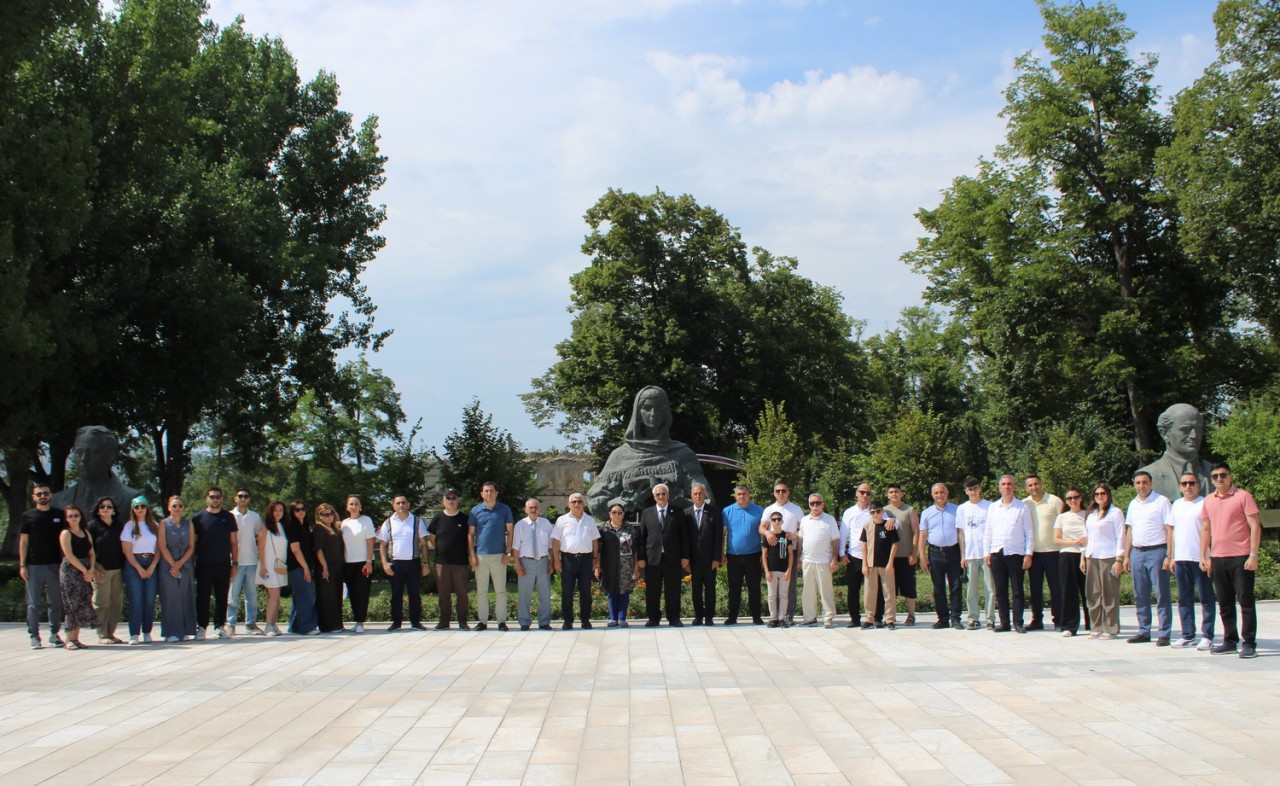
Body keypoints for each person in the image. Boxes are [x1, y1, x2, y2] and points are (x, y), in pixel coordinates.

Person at [586, 385, 711, 517]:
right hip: (630, 532)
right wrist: (627, 501)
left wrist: (674, 498)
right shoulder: (620, 456)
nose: (653, 413)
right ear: (637, 412)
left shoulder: (682, 454)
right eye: (646, 408)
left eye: (659, 408)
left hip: (672, 530)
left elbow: (706, 501)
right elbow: (595, 502)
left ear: (666, 411)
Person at [1200, 463, 1262, 658]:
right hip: (1218, 558)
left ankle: (1249, 643)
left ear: (1230, 477)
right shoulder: (1209, 500)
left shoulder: (1243, 496)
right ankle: (1229, 640)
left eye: (1223, 475)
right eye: (1215, 476)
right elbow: (1207, 529)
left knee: (1245, 601)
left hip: (1240, 557)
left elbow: (1255, 526)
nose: (1219, 479)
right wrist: (1204, 555)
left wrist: (1253, 555)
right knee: (1225, 602)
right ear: (1211, 480)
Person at [1124, 470, 1173, 646]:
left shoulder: (1161, 501)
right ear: (1134, 485)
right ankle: (1144, 630)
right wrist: (1127, 555)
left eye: (1145, 482)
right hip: (1137, 552)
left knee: (1161, 594)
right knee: (1140, 594)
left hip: (1157, 551)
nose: (1141, 486)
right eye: (1138, 483)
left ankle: (1164, 633)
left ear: (1151, 484)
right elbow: (1130, 530)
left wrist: (1169, 555)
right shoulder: (1133, 504)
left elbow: (1169, 530)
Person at [51, 426, 140, 519]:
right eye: (79, 452)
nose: (84, 458)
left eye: (93, 452)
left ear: (111, 456)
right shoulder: (58, 500)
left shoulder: (131, 499)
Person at [1168, 473, 1214, 650]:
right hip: (1181, 558)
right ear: (1180, 486)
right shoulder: (1177, 505)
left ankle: (1208, 635)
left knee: (1206, 598)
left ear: (1198, 485)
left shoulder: (1205, 503)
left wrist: (1209, 556)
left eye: (1191, 483)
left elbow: (1210, 530)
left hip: (1200, 558)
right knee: (1184, 598)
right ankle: (1188, 635)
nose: (1188, 486)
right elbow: (1171, 531)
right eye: (1184, 483)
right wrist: (1171, 556)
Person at [983, 475, 1033, 633]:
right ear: (999, 488)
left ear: (1014, 487)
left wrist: (1028, 554)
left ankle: (1018, 622)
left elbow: (1029, 532)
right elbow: (988, 531)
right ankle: (1004, 622)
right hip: (997, 552)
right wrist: (986, 552)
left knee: (1017, 590)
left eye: (1009, 484)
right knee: (1000, 589)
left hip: (1016, 553)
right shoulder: (993, 507)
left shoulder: (1022, 507)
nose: (1006, 487)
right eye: (1003, 484)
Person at [1137, 403, 1217, 502]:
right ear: (1164, 433)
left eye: (1198, 429)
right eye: (1185, 430)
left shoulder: (1217, 474)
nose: (1194, 435)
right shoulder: (1149, 476)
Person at [636, 483, 690, 627]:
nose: (661, 496)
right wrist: (641, 557)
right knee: (652, 589)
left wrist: (685, 556)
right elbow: (642, 537)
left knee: (673, 589)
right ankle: (653, 618)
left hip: (672, 558)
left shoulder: (678, 512)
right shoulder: (647, 513)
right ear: (654, 497)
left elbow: (684, 536)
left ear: (668, 495)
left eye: (663, 494)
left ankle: (673, 617)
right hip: (652, 558)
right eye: (658, 494)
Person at [21, 483, 66, 649]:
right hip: (33, 565)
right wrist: (22, 564)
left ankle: (54, 634)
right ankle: (34, 636)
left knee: (55, 602)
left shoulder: (59, 515)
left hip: (55, 564)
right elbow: (24, 541)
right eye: (39, 494)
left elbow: (65, 539)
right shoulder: (28, 516)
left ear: (51, 495)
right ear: (34, 497)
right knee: (33, 604)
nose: (42, 496)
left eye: (45, 493)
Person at [192, 486, 238, 640]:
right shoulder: (198, 518)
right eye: (212, 497)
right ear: (207, 498)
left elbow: (234, 542)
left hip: (223, 563)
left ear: (222, 499)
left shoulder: (228, 517)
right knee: (203, 597)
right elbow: (193, 544)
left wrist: (235, 563)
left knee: (222, 597)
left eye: (218, 497)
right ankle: (202, 627)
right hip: (204, 564)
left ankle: (219, 627)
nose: (215, 499)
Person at [468, 482, 514, 631]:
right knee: (481, 591)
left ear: (496, 493)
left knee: (500, 591)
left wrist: (508, 553)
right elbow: (470, 534)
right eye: (486, 491)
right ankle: (482, 621)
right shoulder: (476, 511)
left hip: (499, 556)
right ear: (482, 494)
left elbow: (510, 532)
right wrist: (472, 555)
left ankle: (501, 621)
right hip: (481, 556)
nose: (489, 493)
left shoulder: (504, 509)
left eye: (491, 491)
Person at [378, 495, 429, 631]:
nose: (401, 505)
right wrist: (384, 563)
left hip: (413, 563)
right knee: (396, 595)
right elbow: (382, 545)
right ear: (393, 506)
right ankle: (396, 623)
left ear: (408, 504)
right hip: (395, 564)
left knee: (415, 594)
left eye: (403, 502)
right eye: (398, 503)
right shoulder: (388, 522)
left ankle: (416, 622)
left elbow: (424, 544)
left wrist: (426, 563)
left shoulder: (417, 521)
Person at [553, 493, 600, 630]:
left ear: (584, 504)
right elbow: (555, 541)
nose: (577, 504)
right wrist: (556, 560)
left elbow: (595, 540)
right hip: (568, 560)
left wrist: (595, 559)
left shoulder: (590, 520)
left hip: (586, 560)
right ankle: (568, 621)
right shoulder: (562, 520)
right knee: (567, 592)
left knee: (585, 592)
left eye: (579, 501)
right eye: (574, 502)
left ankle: (585, 620)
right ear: (569, 504)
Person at [1083, 484, 1125, 639]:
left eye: (1103, 493)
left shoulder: (1115, 513)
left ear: (1108, 495)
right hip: (1092, 556)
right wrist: (1083, 556)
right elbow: (1085, 536)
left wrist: (1119, 559)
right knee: (1093, 593)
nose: (1099, 496)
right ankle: (1096, 626)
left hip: (1109, 556)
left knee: (1109, 593)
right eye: (1096, 494)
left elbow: (1121, 536)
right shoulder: (1091, 514)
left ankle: (1111, 628)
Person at [919, 483, 962, 630]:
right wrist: (922, 557)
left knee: (956, 586)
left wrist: (963, 555)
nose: (939, 495)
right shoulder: (926, 513)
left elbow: (961, 533)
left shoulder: (957, 510)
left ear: (947, 493)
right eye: (936, 493)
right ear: (933, 495)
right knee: (938, 587)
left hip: (953, 551)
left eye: (942, 492)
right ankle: (942, 619)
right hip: (935, 553)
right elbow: (922, 535)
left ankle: (956, 618)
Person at [1023, 474, 1063, 631]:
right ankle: (1037, 620)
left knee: (1056, 589)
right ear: (1026, 488)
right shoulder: (1024, 504)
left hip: (1054, 552)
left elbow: (1064, 522)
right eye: (1030, 485)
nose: (1034, 487)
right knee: (1035, 589)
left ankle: (1058, 620)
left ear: (1041, 484)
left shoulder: (1054, 501)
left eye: (1036, 484)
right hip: (1034, 553)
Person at [761, 482, 805, 625]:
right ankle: (775, 617)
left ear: (788, 492)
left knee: (790, 587)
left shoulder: (796, 509)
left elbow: (804, 529)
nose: (781, 493)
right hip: (773, 553)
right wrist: (768, 533)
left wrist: (796, 534)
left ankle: (788, 616)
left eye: (783, 490)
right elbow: (761, 528)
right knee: (774, 590)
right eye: (778, 491)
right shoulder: (769, 509)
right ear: (774, 493)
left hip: (790, 550)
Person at [428, 489, 471, 630]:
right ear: (443, 501)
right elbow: (432, 539)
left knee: (462, 594)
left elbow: (470, 538)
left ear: (457, 500)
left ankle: (462, 621)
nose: (451, 500)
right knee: (444, 594)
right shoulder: (437, 518)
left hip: (461, 563)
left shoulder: (464, 519)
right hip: (442, 563)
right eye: (448, 498)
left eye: (454, 497)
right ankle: (444, 621)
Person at [157, 496, 197, 643]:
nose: (177, 508)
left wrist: (180, 563)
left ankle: (187, 630)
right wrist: (174, 564)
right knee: (171, 598)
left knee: (186, 596)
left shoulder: (189, 524)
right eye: (174, 506)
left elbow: (192, 546)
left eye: (180, 506)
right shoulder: (163, 524)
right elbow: (162, 546)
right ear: (169, 507)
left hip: (185, 563)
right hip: (168, 564)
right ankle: (172, 632)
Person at [724, 485, 765, 625]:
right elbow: (722, 534)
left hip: (753, 555)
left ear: (749, 495)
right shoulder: (727, 511)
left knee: (754, 588)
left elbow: (764, 532)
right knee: (734, 588)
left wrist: (764, 553)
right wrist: (721, 554)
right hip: (733, 556)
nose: (742, 496)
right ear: (735, 496)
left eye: (745, 494)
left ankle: (756, 616)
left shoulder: (759, 511)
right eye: (739, 494)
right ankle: (732, 616)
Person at [58, 505, 98, 650]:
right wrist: (84, 570)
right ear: (66, 519)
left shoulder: (85, 532)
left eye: (76, 515)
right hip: (71, 572)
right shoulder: (65, 534)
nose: (74, 518)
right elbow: (69, 555)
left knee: (82, 602)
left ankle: (76, 638)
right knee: (71, 605)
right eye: (70, 516)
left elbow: (92, 552)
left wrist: (91, 569)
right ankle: (69, 639)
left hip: (85, 571)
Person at [121, 496, 159, 645]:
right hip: (134, 563)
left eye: (142, 506)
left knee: (149, 601)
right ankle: (134, 633)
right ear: (132, 509)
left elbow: (159, 548)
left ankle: (147, 632)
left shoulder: (154, 525)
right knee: (136, 601)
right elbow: (127, 551)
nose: (140, 509)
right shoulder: (129, 526)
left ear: (147, 508)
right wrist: (138, 568)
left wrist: (152, 566)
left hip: (151, 562)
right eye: (137, 507)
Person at [956, 477, 993, 630]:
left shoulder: (990, 507)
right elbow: (961, 533)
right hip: (970, 554)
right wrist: (963, 555)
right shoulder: (962, 509)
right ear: (966, 491)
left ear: (980, 489)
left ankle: (990, 618)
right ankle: (973, 618)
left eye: (975, 488)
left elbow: (992, 530)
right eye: (970, 489)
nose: (973, 492)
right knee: (971, 588)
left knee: (990, 588)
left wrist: (990, 552)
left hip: (986, 554)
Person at [512, 498, 554, 631]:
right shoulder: (520, 525)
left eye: (535, 507)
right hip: (526, 562)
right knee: (525, 594)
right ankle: (524, 622)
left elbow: (551, 546)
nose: (533, 510)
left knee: (545, 594)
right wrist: (517, 565)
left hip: (543, 561)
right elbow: (516, 548)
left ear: (539, 509)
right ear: (526, 509)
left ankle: (544, 621)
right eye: (530, 507)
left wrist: (552, 562)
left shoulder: (546, 524)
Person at [88, 496, 125, 644]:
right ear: (98, 510)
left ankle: (111, 632)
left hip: (118, 569)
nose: (106, 509)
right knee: (102, 602)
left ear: (114, 510)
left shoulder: (119, 526)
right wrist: (93, 569)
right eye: (102, 507)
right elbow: (88, 549)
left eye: (109, 507)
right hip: (101, 568)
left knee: (116, 602)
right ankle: (102, 634)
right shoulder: (93, 526)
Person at [798, 494, 840, 628]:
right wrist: (799, 559)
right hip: (807, 560)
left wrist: (834, 559)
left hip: (824, 561)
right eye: (812, 503)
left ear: (823, 504)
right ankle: (809, 618)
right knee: (808, 592)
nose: (815, 505)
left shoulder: (830, 519)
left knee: (825, 591)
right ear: (809, 505)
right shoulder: (804, 520)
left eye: (818, 503)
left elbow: (836, 540)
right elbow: (800, 540)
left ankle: (828, 618)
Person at [1052, 487, 1088, 637]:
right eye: (1069, 498)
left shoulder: (1088, 515)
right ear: (1066, 501)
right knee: (1068, 591)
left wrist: (1084, 553)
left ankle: (1093, 623)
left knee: (1088, 591)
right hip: (1067, 555)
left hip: (1085, 555)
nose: (1073, 500)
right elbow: (1056, 539)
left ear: (1081, 498)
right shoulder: (1062, 517)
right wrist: (1073, 541)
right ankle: (1070, 626)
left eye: (1076, 497)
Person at [882, 484, 920, 626]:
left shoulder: (909, 510)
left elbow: (916, 532)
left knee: (909, 587)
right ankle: (890, 616)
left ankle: (911, 615)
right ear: (887, 495)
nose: (894, 494)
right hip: (889, 558)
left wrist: (914, 553)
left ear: (902, 494)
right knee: (890, 589)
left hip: (906, 555)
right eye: (891, 492)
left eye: (896, 492)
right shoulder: (884, 511)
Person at [686, 483, 723, 625]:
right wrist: (686, 559)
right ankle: (698, 616)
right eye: (695, 493)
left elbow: (718, 537)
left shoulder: (714, 512)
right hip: (694, 559)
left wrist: (716, 558)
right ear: (691, 496)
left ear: (705, 495)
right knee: (696, 589)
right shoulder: (686, 513)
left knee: (710, 588)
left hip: (709, 559)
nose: (698, 496)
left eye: (700, 493)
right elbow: (685, 538)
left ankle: (709, 617)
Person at [597, 503, 640, 627]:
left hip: (626, 566)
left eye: (619, 512)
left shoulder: (630, 529)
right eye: (614, 512)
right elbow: (598, 549)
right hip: (608, 565)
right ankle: (612, 618)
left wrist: (636, 566)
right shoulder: (602, 529)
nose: (617, 515)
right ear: (609, 514)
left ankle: (622, 618)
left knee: (624, 591)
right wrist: (597, 566)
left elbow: (635, 548)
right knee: (611, 591)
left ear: (623, 514)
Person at [228, 488, 263, 635]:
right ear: (235, 498)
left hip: (251, 560)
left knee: (251, 595)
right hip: (234, 561)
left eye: (246, 496)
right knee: (232, 595)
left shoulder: (255, 517)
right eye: (240, 496)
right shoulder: (229, 515)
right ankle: (230, 624)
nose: (243, 498)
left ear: (249, 499)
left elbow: (261, 537)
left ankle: (251, 624)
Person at [860, 501, 900, 629]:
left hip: (886, 564)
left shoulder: (888, 526)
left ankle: (889, 620)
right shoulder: (867, 526)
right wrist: (864, 564)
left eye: (878, 511)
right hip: (871, 564)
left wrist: (890, 562)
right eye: (872, 512)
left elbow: (895, 544)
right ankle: (869, 618)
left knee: (889, 592)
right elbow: (864, 546)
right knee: (869, 592)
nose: (875, 514)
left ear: (882, 511)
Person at [840, 484, 874, 628]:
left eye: (868, 493)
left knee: (872, 590)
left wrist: (892, 520)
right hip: (854, 556)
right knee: (853, 590)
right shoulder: (849, 512)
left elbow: (891, 523)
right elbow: (843, 534)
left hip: (872, 556)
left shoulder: (875, 510)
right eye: (862, 492)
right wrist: (841, 553)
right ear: (856, 494)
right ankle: (854, 618)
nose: (865, 495)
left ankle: (873, 618)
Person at [340, 495, 376, 633]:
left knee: (362, 593)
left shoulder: (366, 520)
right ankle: (356, 620)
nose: (353, 506)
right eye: (351, 504)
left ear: (360, 506)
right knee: (353, 593)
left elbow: (370, 542)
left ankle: (361, 622)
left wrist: (368, 561)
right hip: (348, 563)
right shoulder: (344, 523)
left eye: (356, 504)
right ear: (347, 507)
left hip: (363, 563)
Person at [285, 500, 319, 635]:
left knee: (299, 596)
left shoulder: (304, 525)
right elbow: (295, 549)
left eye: (302, 509)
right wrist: (305, 567)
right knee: (307, 596)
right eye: (297, 510)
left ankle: (294, 626)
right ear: (292, 513)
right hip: (297, 567)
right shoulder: (292, 526)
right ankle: (306, 627)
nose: (300, 512)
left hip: (304, 566)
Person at [256, 501, 290, 636]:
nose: (278, 513)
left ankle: (273, 624)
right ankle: (268, 625)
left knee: (277, 596)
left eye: (280, 510)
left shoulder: (282, 526)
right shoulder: (265, 527)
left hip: (279, 566)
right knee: (274, 595)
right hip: (269, 566)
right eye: (275, 510)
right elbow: (261, 548)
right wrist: (263, 566)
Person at [313, 502, 346, 633]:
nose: (329, 517)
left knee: (337, 595)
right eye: (325, 514)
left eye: (331, 513)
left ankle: (337, 624)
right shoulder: (319, 529)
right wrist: (324, 566)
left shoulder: (334, 528)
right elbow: (318, 549)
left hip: (337, 567)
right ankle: (328, 625)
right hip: (326, 568)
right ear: (319, 516)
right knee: (327, 597)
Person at [760, 511, 794, 627]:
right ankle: (773, 618)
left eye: (779, 519)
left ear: (782, 521)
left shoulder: (786, 536)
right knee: (772, 595)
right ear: (770, 522)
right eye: (774, 520)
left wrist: (789, 570)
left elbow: (790, 554)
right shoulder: (768, 536)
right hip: (772, 570)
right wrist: (766, 571)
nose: (776, 521)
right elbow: (764, 555)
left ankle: (782, 618)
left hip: (784, 571)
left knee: (783, 595)